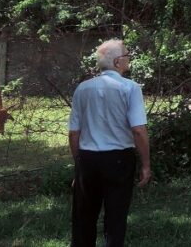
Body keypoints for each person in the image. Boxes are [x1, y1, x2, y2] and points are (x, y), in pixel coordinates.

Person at [70, 39, 150, 247]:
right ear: (117, 62)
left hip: (87, 159)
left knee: (83, 218)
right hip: (119, 160)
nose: (129, 58)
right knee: (116, 218)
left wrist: (78, 165)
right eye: (126, 55)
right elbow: (139, 130)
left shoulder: (83, 89)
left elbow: (73, 133)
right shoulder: (130, 88)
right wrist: (146, 165)